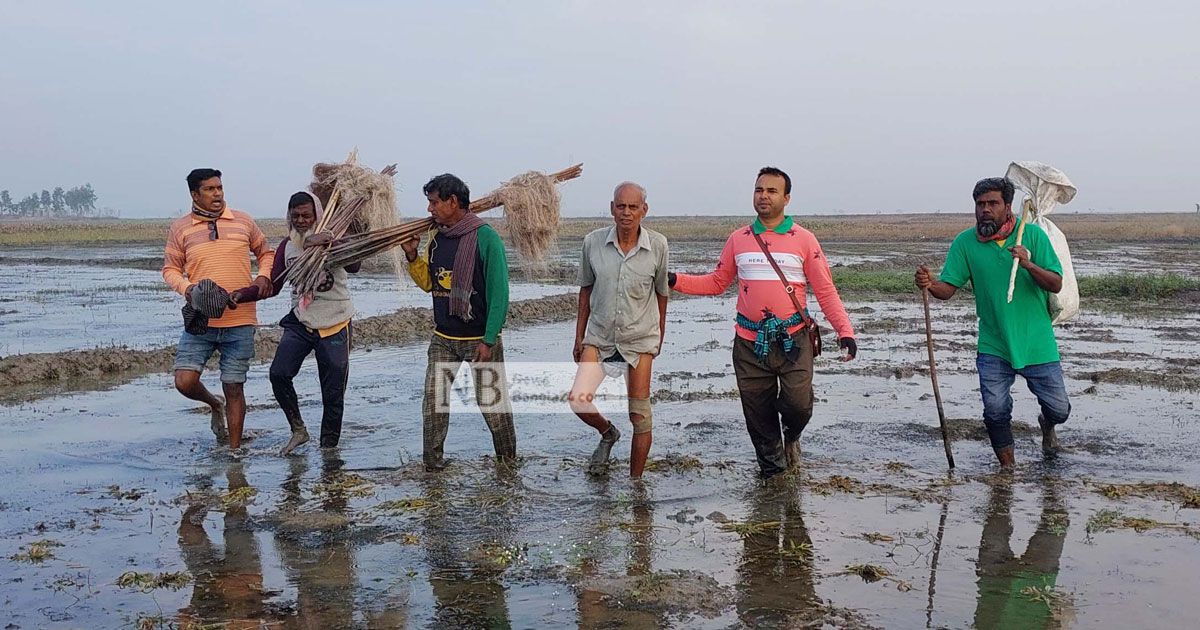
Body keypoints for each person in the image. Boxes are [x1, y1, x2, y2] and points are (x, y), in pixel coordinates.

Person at [670, 166, 857, 478]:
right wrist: (674, 279)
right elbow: (717, 282)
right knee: (759, 418)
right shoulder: (738, 239)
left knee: (798, 406)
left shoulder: (804, 240)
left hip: (794, 341)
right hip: (749, 344)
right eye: (759, 190)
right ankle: (774, 480)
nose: (764, 196)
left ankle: (792, 437)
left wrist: (845, 332)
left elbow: (825, 290)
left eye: (772, 191)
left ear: (787, 198)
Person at [915, 177, 1069, 469]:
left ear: (1008, 207)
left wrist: (1028, 264)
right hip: (993, 343)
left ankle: (1047, 425)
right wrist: (930, 283)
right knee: (995, 411)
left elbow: (1056, 283)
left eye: (992, 204)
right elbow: (948, 289)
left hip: (1036, 342)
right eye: (980, 204)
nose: (985, 210)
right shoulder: (965, 243)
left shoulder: (1032, 237)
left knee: (1060, 409)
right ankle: (1007, 470)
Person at [401, 173, 517, 471]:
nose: (430, 209)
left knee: (493, 408)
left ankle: (508, 463)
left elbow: (499, 293)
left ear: (453, 202)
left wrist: (489, 339)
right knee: (433, 402)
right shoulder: (438, 239)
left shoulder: (486, 238)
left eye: (434, 202)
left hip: (480, 339)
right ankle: (432, 466)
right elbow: (431, 283)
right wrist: (413, 255)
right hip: (444, 338)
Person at [235, 191, 360, 456]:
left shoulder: (332, 237)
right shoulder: (287, 247)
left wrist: (332, 243)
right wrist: (240, 295)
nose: (301, 220)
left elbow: (355, 266)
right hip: (301, 320)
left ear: (316, 215)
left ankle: (329, 451)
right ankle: (298, 429)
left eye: (306, 215)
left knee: (333, 394)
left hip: (335, 321)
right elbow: (274, 285)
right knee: (279, 374)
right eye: (296, 216)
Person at [163, 169, 273, 450]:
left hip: (241, 319)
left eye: (220, 188)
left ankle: (234, 452)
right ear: (194, 194)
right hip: (201, 319)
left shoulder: (243, 221)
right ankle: (214, 404)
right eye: (210, 189)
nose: (218, 194)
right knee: (185, 382)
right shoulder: (181, 228)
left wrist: (263, 277)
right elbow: (170, 269)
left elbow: (266, 253)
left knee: (234, 385)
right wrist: (188, 289)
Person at [569, 181, 669, 478]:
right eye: (621, 206)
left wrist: (659, 335)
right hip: (600, 335)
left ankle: (635, 484)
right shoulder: (592, 243)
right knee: (578, 399)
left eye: (633, 207)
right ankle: (608, 432)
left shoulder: (658, 246)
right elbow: (585, 291)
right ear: (612, 209)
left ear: (644, 211)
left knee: (639, 416)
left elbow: (662, 292)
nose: (626, 213)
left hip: (639, 339)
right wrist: (579, 336)